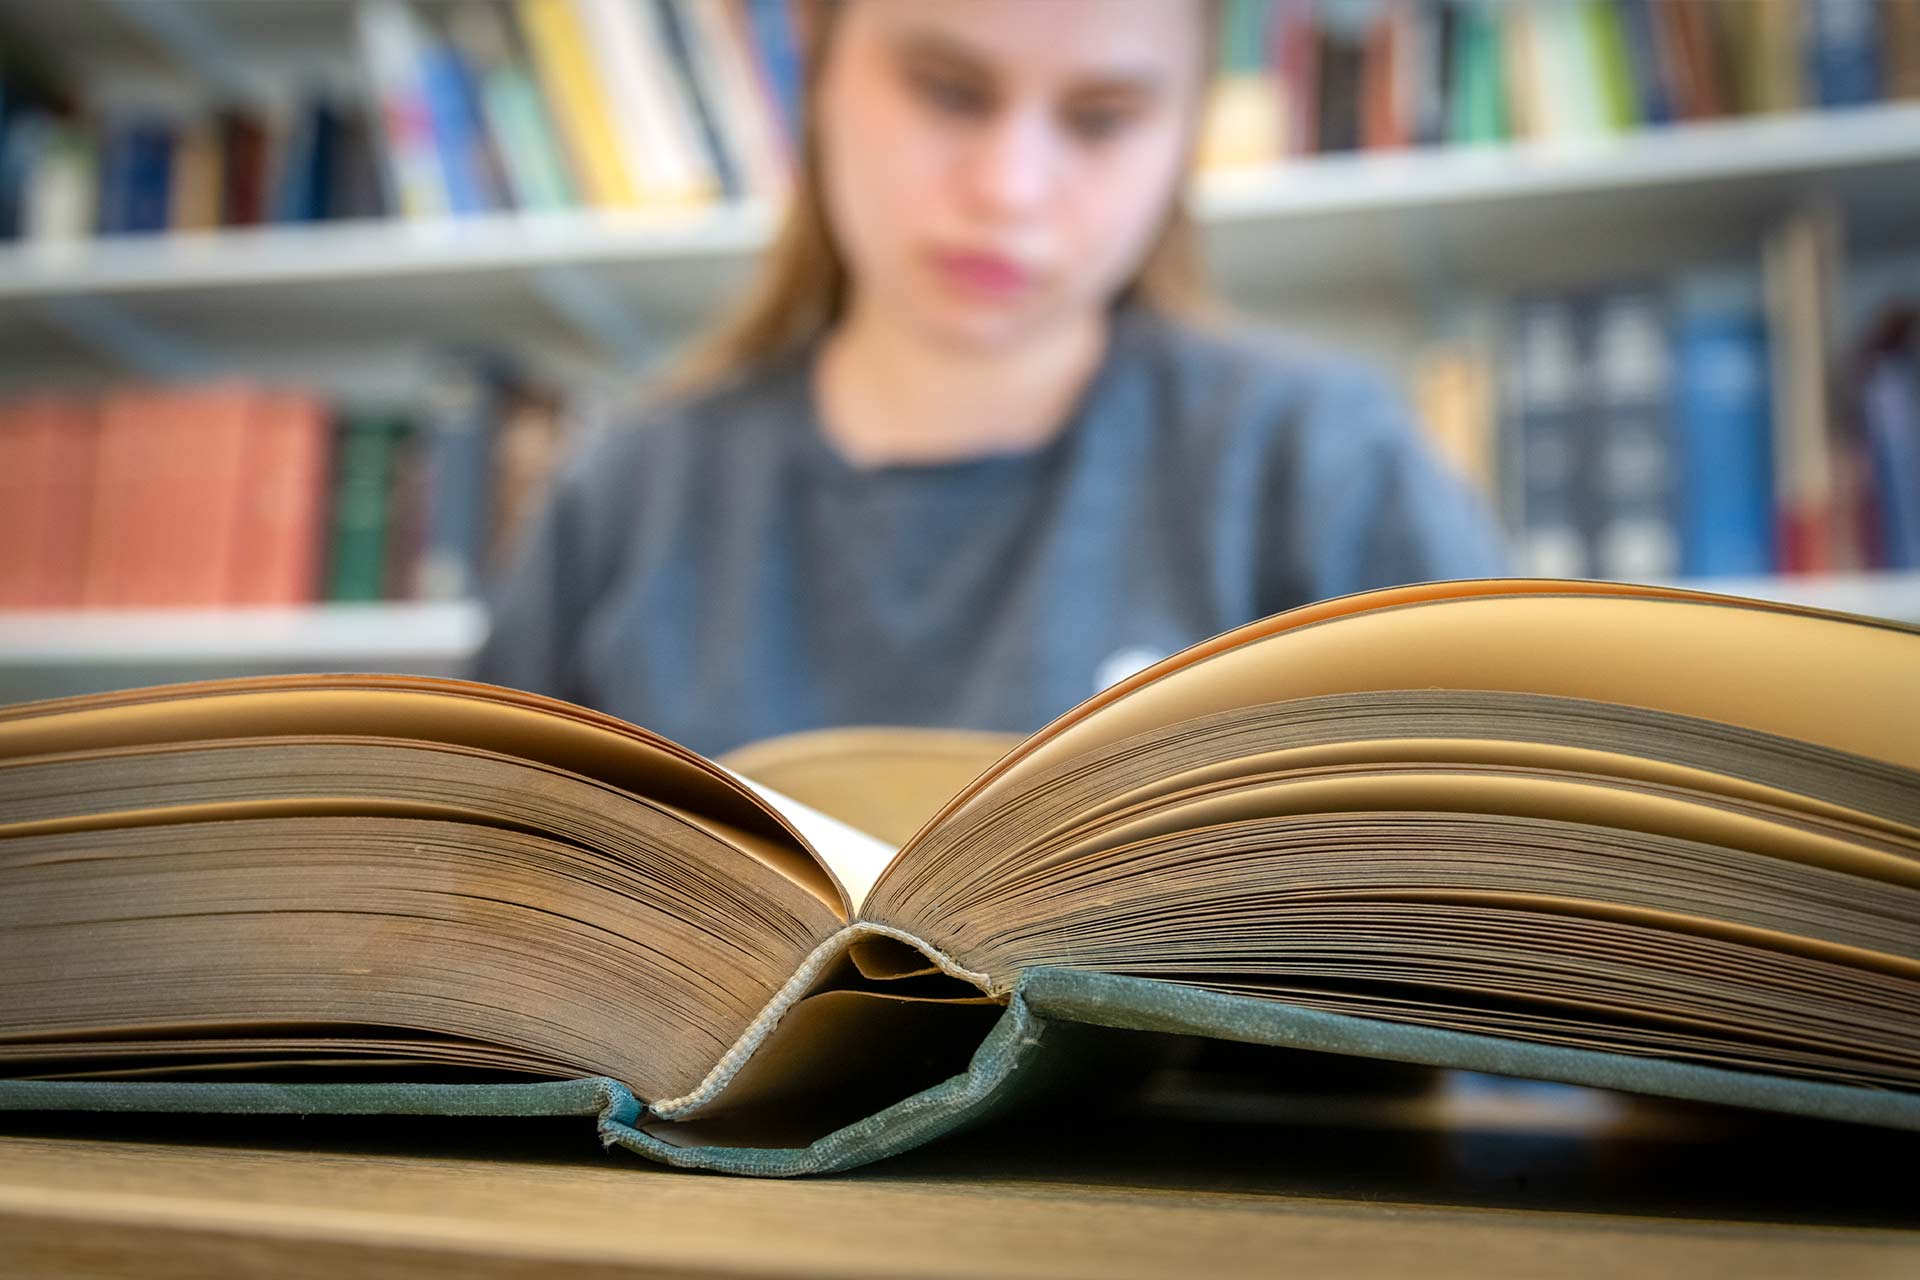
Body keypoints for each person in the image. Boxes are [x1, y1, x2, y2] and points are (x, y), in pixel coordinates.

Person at [476, 0, 1507, 759]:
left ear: (1183, 135)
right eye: (949, 91)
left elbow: (1531, 970)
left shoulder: (1327, 462)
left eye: (1101, 118)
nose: (1010, 188)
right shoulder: (622, 498)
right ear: (819, 69)